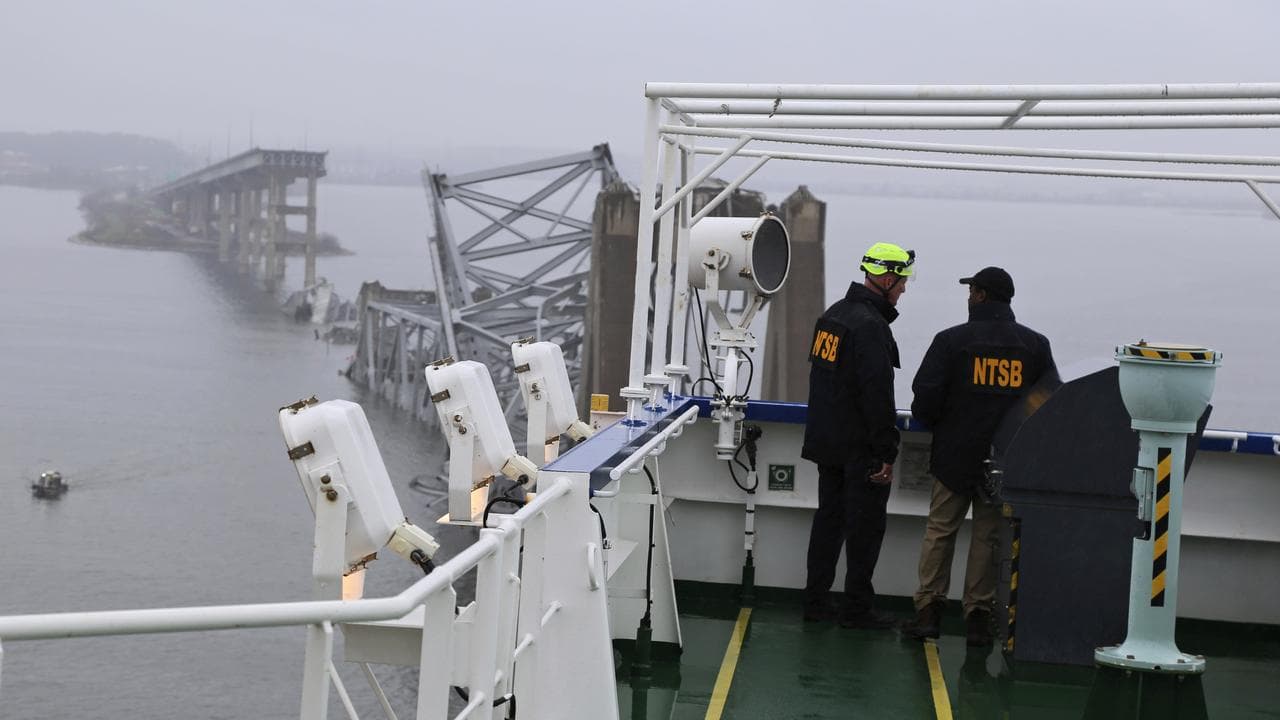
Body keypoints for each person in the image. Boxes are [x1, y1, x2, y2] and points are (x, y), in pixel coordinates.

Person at [904, 267, 1055, 645]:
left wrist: (946, 423)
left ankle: (928, 613)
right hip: (1004, 461)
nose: (968, 296)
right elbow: (1049, 401)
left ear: (983, 296)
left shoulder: (952, 341)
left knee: (940, 532)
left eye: (971, 291)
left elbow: (924, 397)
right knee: (987, 538)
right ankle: (977, 618)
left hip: (954, 455)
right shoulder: (1034, 346)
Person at [801, 242, 914, 629]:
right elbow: (876, 394)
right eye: (901, 282)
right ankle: (856, 610)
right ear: (885, 278)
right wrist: (886, 451)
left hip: (827, 442)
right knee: (864, 530)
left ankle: (815, 603)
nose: (902, 290)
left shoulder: (833, 316)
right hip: (858, 448)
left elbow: (822, 382)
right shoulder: (870, 327)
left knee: (828, 524)